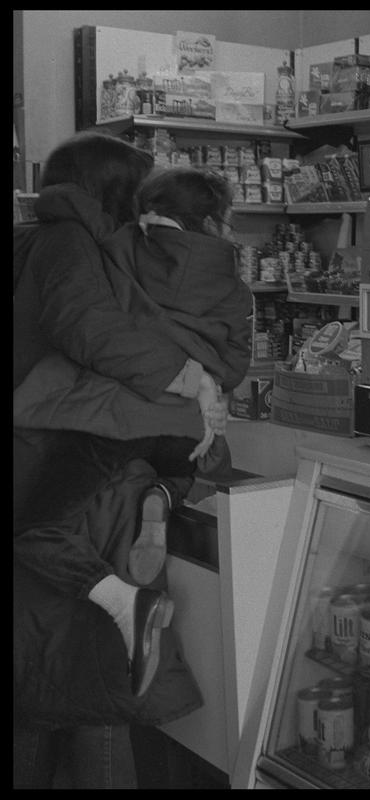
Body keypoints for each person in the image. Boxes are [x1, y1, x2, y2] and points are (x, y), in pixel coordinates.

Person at [12, 134, 215, 788]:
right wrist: (184, 377)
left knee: (44, 672)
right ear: (115, 191)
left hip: (39, 454)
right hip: (70, 460)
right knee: (90, 679)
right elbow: (90, 328)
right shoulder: (72, 244)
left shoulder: (31, 237)